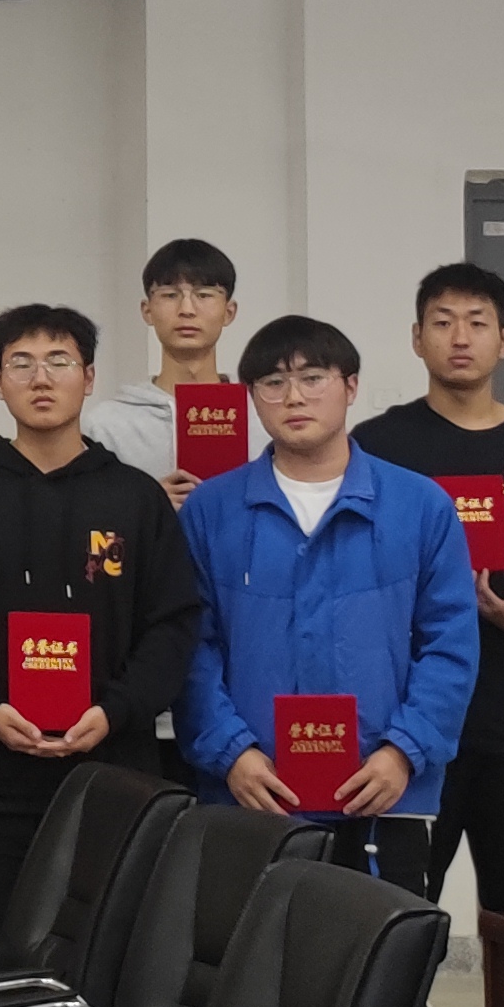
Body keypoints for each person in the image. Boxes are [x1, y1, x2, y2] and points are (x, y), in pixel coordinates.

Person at [0, 304, 204, 922]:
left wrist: (114, 710)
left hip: (112, 781)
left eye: (59, 361)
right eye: (22, 363)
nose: (40, 378)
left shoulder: (136, 499)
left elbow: (171, 628)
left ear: (88, 378)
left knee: (101, 963)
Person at [177, 315, 477, 878]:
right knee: (243, 938)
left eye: (313, 378)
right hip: (250, 794)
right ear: (252, 397)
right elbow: (191, 646)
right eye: (273, 382)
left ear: (351, 386)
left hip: (385, 796)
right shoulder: (210, 511)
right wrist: (231, 752)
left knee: (380, 938)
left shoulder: (420, 506)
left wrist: (403, 751)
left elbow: (450, 645)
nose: (293, 397)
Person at [353, 263, 504, 919]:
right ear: (416, 338)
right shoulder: (376, 446)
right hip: (404, 727)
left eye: (477, 323)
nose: (460, 337)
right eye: (443, 322)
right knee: (393, 920)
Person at [81, 238, 248, 502]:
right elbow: (88, 515)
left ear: (229, 312)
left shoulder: (259, 414)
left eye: (204, 295)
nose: (187, 310)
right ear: (147, 311)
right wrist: (149, 504)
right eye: (170, 295)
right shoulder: (106, 426)